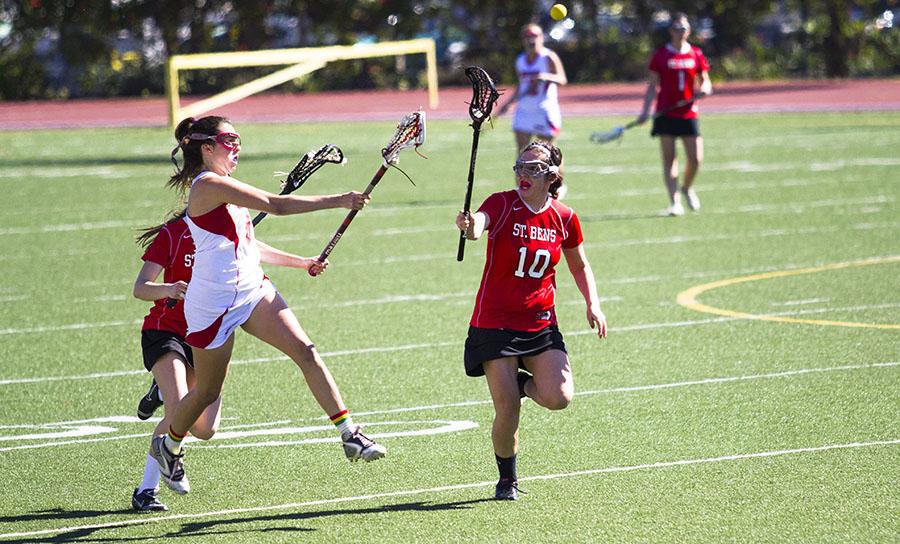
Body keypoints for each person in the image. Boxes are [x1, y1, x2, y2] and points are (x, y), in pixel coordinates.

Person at [149, 115, 386, 495]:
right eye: (229, 140)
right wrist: (339, 200)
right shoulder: (209, 185)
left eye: (238, 139)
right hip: (211, 304)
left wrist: (301, 261)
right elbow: (275, 205)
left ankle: (349, 434)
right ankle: (170, 445)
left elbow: (248, 246)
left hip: (251, 291)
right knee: (207, 394)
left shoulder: (225, 188)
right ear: (206, 147)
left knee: (305, 351)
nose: (236, 146)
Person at [130, 209, 332, 511]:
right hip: (166, 331)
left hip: (206, 334)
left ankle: (160, 390)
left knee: (205, 430)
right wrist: (170, 289)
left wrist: (302, 262)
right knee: (176, 409)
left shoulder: (227, 230)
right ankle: (146, 491)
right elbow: (140, 287)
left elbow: (256, 251)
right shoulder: (173, 233)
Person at [455, 141, 607, 501]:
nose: (524, 174)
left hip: (540, 323)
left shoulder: (565, 217)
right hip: (495, 322)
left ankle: (522, 383)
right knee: (507, 409)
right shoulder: (502, 203)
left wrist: (593, 304)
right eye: (520, 166)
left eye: (533, 168)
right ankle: (507, 480)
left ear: (552, 175)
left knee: (559, 397)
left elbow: (579, 264)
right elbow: (479, 225)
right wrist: (469, 224)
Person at [636, 12, 712, 216]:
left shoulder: (695, 53)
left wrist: (705, 88)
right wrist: (645, 111)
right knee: (670, 159)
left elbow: (705, 79)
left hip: (688, 113)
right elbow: (652, 86)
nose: (680, 32)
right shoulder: (661, 55)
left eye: (684, 28)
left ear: (689, 31)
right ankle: (674, 202)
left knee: (696, 159)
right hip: (665, 113)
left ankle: (686, 187)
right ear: (670, 31)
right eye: (677, 28)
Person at [497, 23, 568, 154]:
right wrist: (508, 103)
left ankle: (556, 175)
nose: (531, 40)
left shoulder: (548, 57)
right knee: (522, 155)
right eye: (527, 36)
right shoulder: (520, 60)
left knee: (549, 155)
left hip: (544, 110)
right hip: (524, 111)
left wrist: (545, 76)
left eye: (535, 36)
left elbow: (562, 79)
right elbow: (521, 85)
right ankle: (522, 176)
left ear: (541, 37)